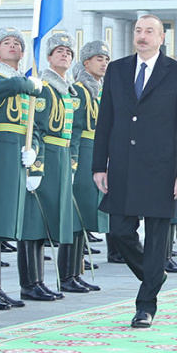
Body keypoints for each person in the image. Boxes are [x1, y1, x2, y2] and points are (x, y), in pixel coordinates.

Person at [92, 14, 177, 328]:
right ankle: (153, 275)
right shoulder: (117, 69)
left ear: (161, 37)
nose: (142, 36)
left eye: (149, 31)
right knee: (120, 232)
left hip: (162, 170)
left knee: (156, 238)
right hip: (123, 167)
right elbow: (106, 120)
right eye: (138, 30)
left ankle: (145, 305)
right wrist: (100, 166)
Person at [0, 27, 43, 305]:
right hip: (3, 146)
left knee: (11, 219)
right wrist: (27, 84)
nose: (13, 47)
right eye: (6, 43)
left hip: (19, 147)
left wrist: (34, 151)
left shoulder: (22, 79)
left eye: (17, 44)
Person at [21, 33, 78, 300]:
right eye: (59, 51)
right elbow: (37, 129)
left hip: (62, 155)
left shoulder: (65, 89)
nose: (64, 54)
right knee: (34, 220)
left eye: (68, 51)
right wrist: (36, 166)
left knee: (46, 222)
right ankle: (29, 282)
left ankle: (40, 280)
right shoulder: (43, 87)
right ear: (48, 57)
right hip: (47, 156)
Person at [67, 40, 111, 291]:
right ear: (85, 63)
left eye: (105, 59)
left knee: (85, 212)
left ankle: (76, 271)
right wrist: (73, 161)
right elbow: (75, 129)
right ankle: (70, 272)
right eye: (98, 58)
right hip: (83, 151)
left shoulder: (97, 90)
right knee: (78, 211)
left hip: (94, 151)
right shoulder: (81, 90)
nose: (103, 62)